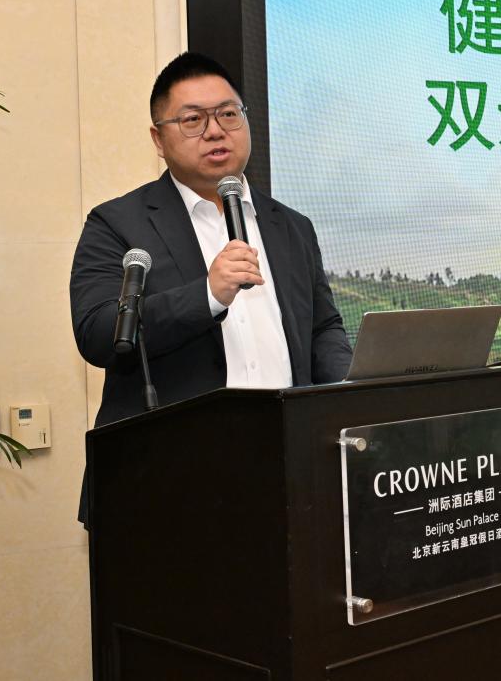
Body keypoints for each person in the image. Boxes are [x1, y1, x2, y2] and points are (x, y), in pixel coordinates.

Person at [70, 52, 351, 523]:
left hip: (290, 473)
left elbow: (322, 327)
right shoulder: (117, 223)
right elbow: (98, 332)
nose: (215, 131)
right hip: (168, 486)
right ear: (158, 139)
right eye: (193, 120)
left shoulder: (291, 226)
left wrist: (354, 390)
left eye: (227, 114)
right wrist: (207, 295)